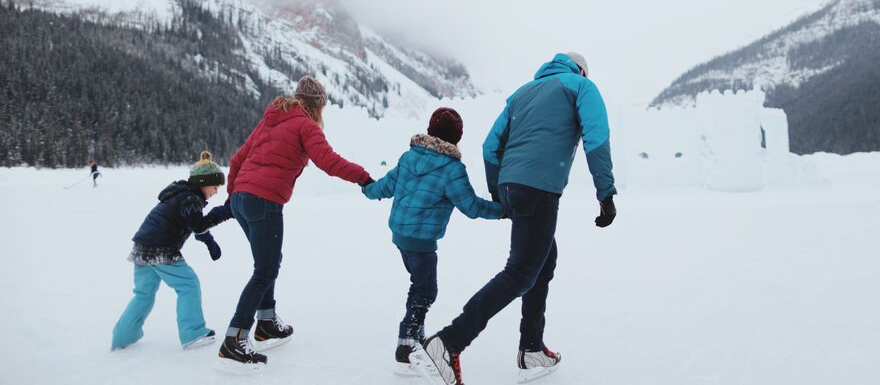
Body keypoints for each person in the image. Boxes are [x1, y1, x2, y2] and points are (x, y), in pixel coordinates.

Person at [416, 53, 618, 385]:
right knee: (521, 272)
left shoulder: (522, 93)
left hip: (513, 186)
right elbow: (596, 137)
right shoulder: (582, 86)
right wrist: (605, 192)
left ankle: (532, 349)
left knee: (543, 261)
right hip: (539, 188)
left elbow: (489, 147)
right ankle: (447, 342)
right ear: (581, 69)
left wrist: (501, 193)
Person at [217, 76, 373, 373]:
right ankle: (235, 339)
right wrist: (363, 177)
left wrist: (233, 195)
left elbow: (238, 158)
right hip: (263, 201)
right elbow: (328, 161)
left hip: (242, 198)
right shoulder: (305, 125)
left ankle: (265, 322)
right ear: (318, 106)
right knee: (265, 270)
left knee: (269, 262)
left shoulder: (272, 119)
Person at [361, 107, 506, 376]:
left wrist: (368, 188)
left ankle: (415, 335)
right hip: (422, 240)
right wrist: (503, 210)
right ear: (456, 137)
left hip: (400, 235)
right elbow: (471, 207)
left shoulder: (409, 157)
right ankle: (407, 346)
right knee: (426, 291)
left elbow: (385, 186)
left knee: (419, 285)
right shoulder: (451, 169)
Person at [111, 152, 232, 351]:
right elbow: (198, 224)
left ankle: (123, 336)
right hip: (161, 248)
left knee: (144, 293)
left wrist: (210, 242)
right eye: (215, 186)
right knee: (188, 284)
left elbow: (195, 225)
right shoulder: (190, 198)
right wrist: (223, 213)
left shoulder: (182, 195)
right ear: (203, 182)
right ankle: (192, 333)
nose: (216, 191)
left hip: (142, 246)